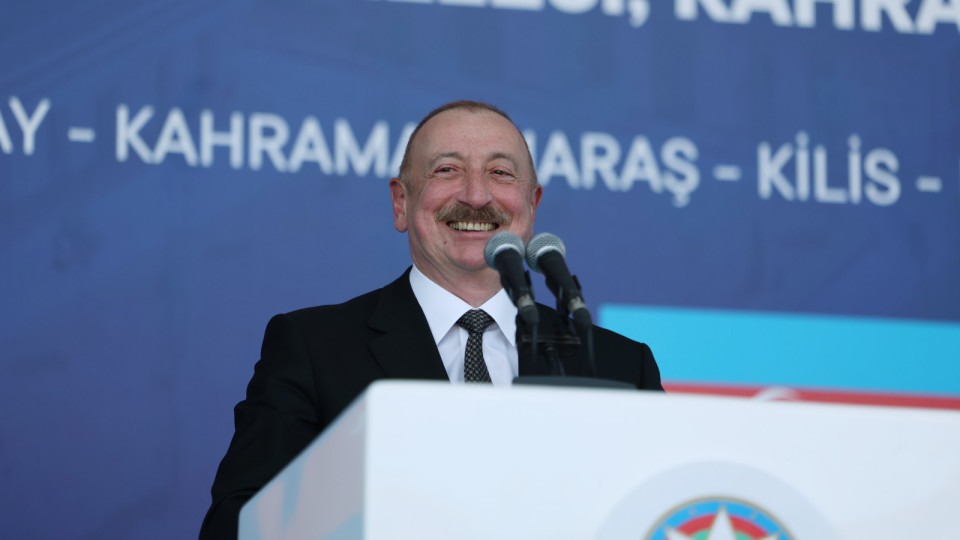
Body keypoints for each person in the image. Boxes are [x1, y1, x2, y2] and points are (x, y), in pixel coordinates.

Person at [199, 100, 662, 539]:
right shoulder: (314, 348)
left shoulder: (621, 365)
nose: (476, 196)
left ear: (532, 204)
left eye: (500, 173)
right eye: (447, 170)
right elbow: (238, 524)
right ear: (401, 202)